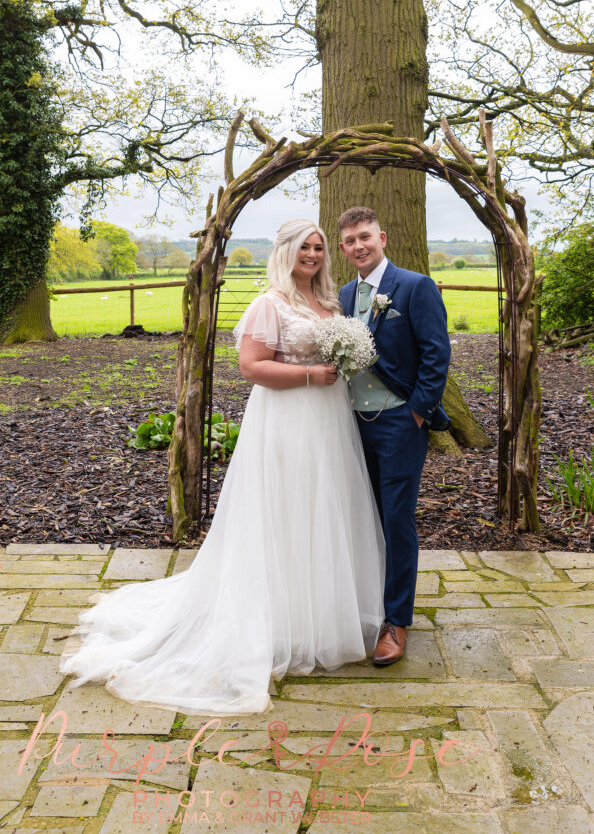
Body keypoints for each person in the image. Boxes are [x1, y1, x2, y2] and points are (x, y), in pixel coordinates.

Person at [58, 220, 385, 716]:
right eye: (304, 247)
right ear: (286, 252)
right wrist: (310, 375)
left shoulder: (331, 304)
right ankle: (274, 615)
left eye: (319, 247)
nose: (313, 254)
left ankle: (316, 610)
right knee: (283, 510)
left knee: (319, 509)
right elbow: (251, 366)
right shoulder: (270, 303)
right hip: (287, 419)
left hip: (329, 424)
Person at [338, 207, 452, 666]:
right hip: (349, 426)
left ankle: (396, 620)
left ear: (381, 237)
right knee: (362, 517)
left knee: (396, 519)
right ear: (344, 248)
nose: (358, 246)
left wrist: (417, 415)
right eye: (349, 241)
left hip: (400, 423)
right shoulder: (346, 294)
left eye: (365, 237)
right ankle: (365, 603)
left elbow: (435, 354)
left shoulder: (414, 286)